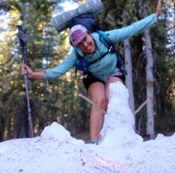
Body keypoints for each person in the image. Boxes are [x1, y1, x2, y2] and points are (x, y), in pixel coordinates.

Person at [21, 0, 162, 144]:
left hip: (113, 72)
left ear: (89, 34)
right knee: (100, 100)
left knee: (115, 94)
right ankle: (94, 143)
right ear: (76, 47)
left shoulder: (105, 37)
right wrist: (33, 74)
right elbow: (58, 71)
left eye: (85, 39)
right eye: (80, 45)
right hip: (93, 77)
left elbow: (131, 29)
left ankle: (121, 137)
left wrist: (154, 17)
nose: (86, 45)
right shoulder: (76, 54)